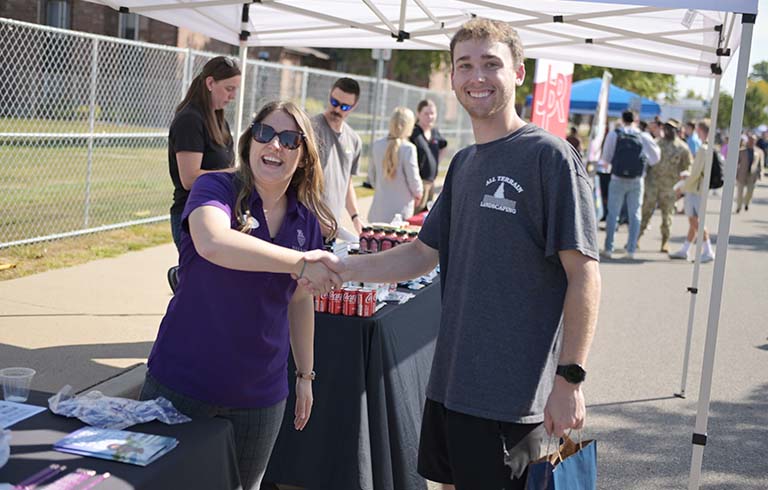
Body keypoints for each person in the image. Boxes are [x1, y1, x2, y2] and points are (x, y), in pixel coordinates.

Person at [303, 18, 601, 490]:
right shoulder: (465, 163)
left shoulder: (550, 158)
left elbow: (584, 276)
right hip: (452, 386)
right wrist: (342, 266)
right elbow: (421, 254)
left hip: (514, 400)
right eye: (464, 65)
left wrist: (570, 381)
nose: (475, 76)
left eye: (490, 64)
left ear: (518, 73)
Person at [141, 101, 342, 490]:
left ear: (302, 157)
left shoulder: (306, 220)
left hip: (259, 395)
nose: (275, 146)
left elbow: (300, 301)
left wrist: (305, 375)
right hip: (182, 381)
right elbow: (212, 242)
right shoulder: (216, 187)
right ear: (250, 141)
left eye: (289, 139)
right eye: (266, 133)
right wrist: (300, 262)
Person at [167, 56, 242, 291]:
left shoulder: (219, 120)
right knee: (204, 290)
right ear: (210, 83)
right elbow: (189, 179)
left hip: (218, 213)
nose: (232, 96)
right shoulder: (190, 120)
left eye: (235, 90)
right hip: (191, 217)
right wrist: (236, 172)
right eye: (228, 89)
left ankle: (182, 277)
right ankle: (181, 278)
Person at [601, 110, 661, 259]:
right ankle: (631, 250)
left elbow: (606, 157)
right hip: (636, 180)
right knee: (635, 214)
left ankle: (609, 248)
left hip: (616, 178)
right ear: (636, 120)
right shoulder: (644, 136)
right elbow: (655, 158)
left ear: (622, 119)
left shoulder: (614, 134)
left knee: (613, 214)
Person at [312, 77, 364, 239]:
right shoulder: (311, 128)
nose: (337, 109)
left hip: (332, 226)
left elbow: (346, 183)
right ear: (329, 95)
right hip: (307, 223)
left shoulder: (354, 140)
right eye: (334, 102)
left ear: (354, 107)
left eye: (345, 106)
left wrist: (355, 217)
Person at [639, 119, 692, 252]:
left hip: (670, 187)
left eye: (671, 128)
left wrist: (682, 188)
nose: (668, 130)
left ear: (677, 130)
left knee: (667, 217)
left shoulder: (682, 148)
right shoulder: (656, 144)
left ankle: (665, 241)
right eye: (666, 127)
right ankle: (636, 239)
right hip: (652, 185)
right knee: (645, 213)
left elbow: (687, 168)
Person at [670, 120, 715, 262]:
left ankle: (708, 249)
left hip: (695, 189)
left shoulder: (703, 149)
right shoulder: (708, 147)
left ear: (700, 131)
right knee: (693, 221)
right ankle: (685, 249)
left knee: (696, 221)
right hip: (699, 188)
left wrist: (682, 187)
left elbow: (696, 173)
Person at [367, 107, 423, 223]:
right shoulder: (408, 148)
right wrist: (418, 194)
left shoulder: (377, 145)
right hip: (401, 213)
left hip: (378, 212)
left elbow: (372, 178)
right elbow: (414, 181)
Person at [411, 99, 448, 213]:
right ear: (418, 114)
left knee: (426, 217)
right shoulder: (413, 132)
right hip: (416, 184)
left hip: (431, 183)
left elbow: (444, 146)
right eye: (426, 113)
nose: (430, 117)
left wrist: (435, 162)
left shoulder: (435, 132)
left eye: (432, 113)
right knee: (413, 216)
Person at [735, 134, 764, 213]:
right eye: (751, 140)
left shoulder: (759, 152)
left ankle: (746, 202)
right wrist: (736, 174)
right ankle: (739, 206)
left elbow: (760, 164)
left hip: (752, 175)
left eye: (753, 140)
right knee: (740, 192)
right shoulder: (742, 151)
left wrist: (760, 173)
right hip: (742, 174)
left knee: (750, 192)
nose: (752, 142)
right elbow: (736, 163)